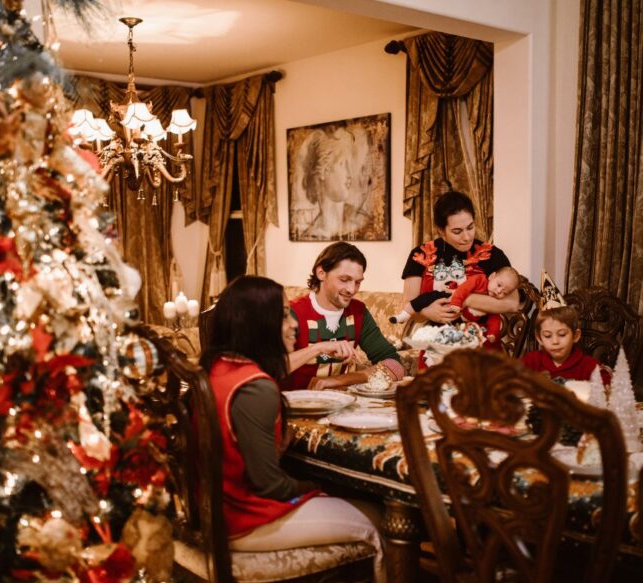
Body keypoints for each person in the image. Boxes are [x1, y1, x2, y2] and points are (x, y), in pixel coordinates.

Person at [199, 275, 386, 581]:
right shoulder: (255, 387)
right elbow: (271, 486)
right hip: (242, 520)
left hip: (211, 511)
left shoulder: (217, 366)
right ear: (259, 323)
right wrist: (318, 489)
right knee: (380, 520)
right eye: (284, 314)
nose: (294, 323)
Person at [392, 191, 520, 329]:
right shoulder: (421, 255)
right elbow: (408, 305)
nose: (467, 237)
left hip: (480, 339)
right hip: (435, 337)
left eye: (470, 227)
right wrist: (428, 312)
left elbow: (512, 303)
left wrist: (465, 298)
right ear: (441, 231)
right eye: (457, 231)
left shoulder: (491, 254)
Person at [285, 242, 404, 390]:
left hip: (338, 404)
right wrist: (319, 348)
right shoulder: (291, 312)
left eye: (358, 282)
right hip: (292, 405)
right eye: (344, 280)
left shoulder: (358, 312)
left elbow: (395, 365)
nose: (351, 289)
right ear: (321, 273)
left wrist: (339, 380)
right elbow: (270, 367)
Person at [521, 274, 611, 385]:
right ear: (539, 338)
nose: (555, 342)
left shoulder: (589, 367)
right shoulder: (531, 361)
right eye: (548, 336)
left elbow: (609, 390)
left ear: (575, 336)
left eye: (562, 334)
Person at [294, 128, 370, 240]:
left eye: (349, 164)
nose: (349, 174)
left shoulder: (363, 222)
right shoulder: (310, 234)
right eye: (342, 164)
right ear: (323, 172)